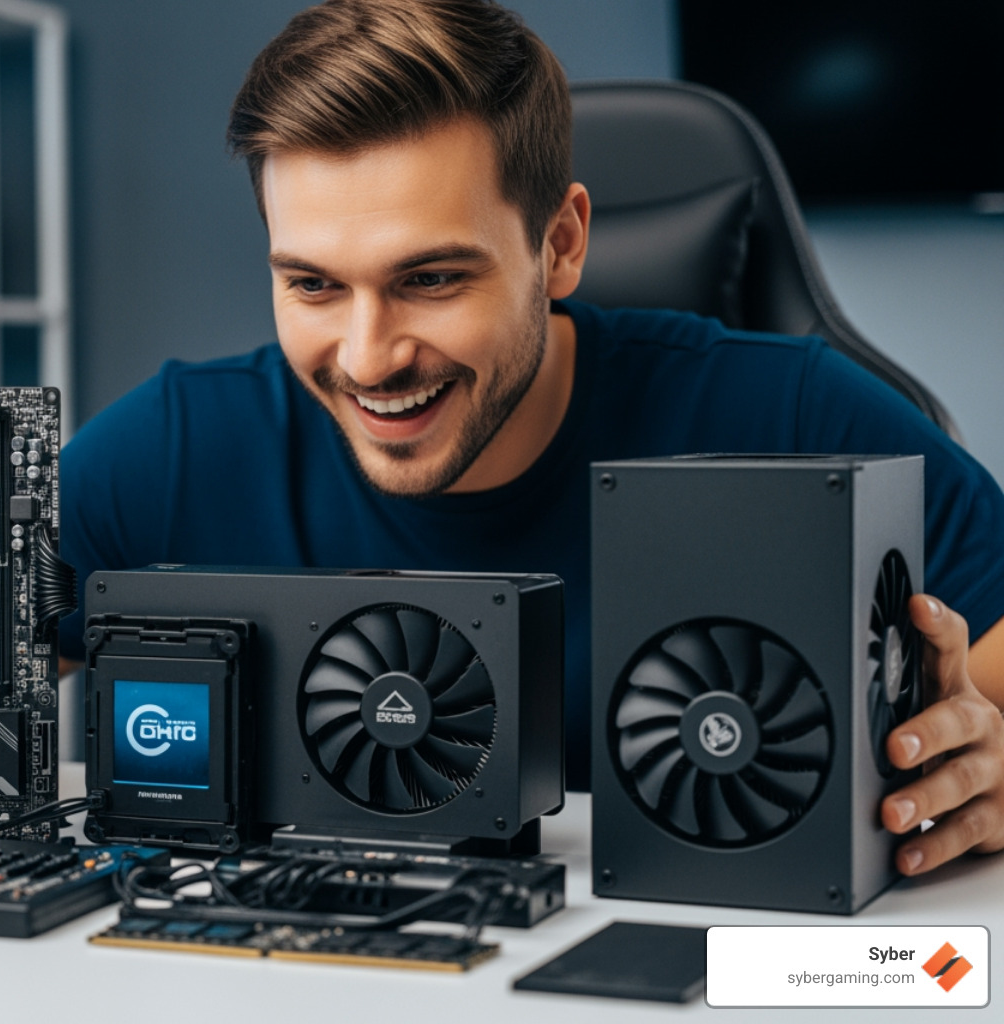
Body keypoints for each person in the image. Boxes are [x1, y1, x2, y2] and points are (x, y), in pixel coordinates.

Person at [59, 0, 1004, 876]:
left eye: (430, 280)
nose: (368, 356)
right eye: (313, 285)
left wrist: (987, 755)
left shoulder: (793, 415)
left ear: (560, 245)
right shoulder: (177, 445)